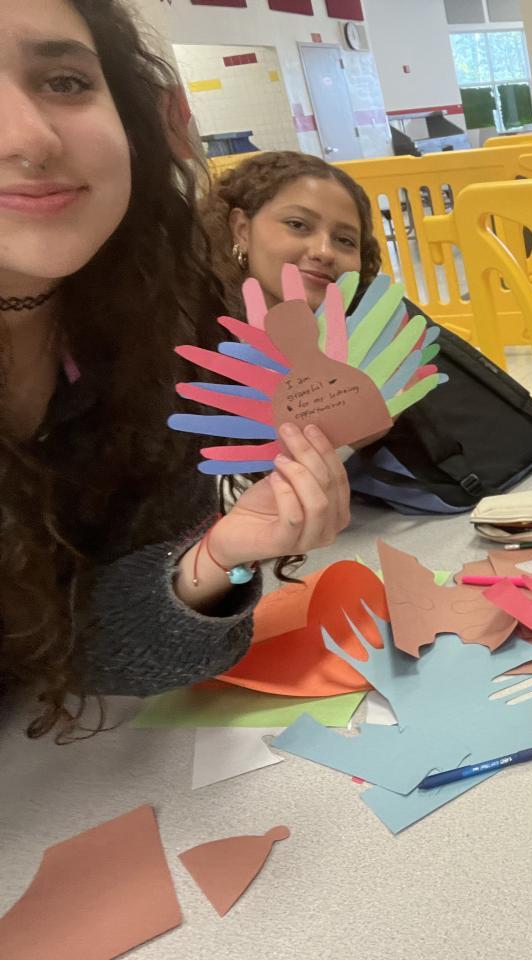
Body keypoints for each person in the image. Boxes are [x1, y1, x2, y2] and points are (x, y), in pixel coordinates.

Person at [0, 0, 350, 739]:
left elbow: (79, 647)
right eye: (296, 225)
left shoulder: (151, 324)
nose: (29, 138)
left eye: (64, 82)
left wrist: (215, 560)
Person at [200, 150, 381, 316]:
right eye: (297, 225)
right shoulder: (197, 328)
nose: (324, 252)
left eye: (345, 240)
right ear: (242, 230)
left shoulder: (377, 326)